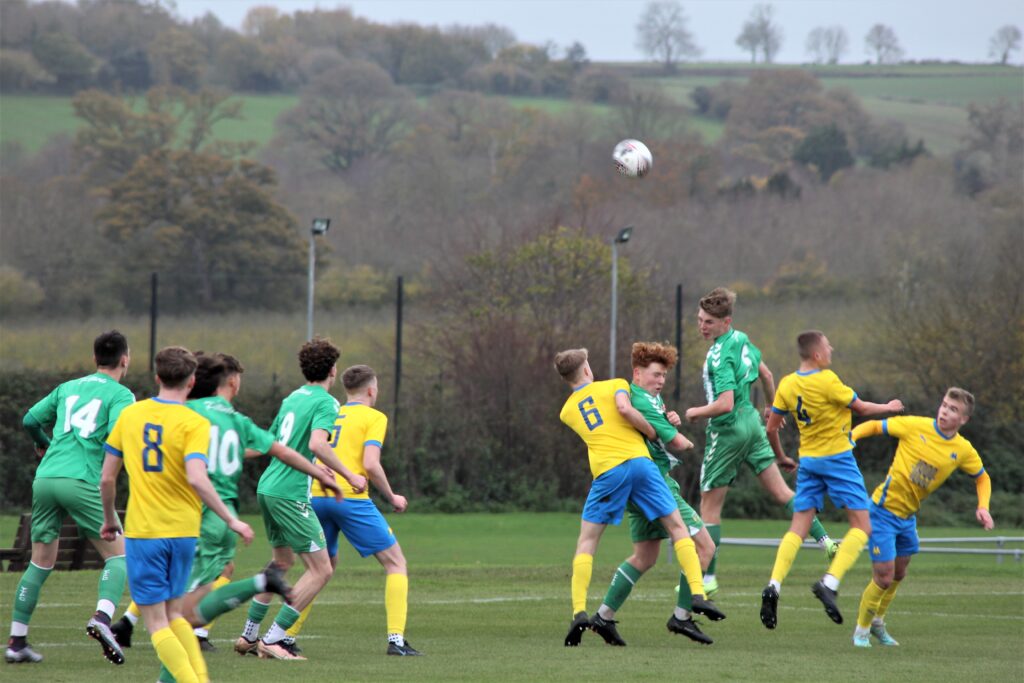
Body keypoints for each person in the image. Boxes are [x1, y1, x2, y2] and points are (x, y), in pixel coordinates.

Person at [108, 352, 343, 673]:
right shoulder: (234, 419)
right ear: (229, 381)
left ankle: (257, 593)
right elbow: (278, 448)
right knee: (181, 615)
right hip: (210, 521)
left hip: (185, 516)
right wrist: (321, 475)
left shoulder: (182, 413)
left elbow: (143, 469)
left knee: (176, 616)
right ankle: (257, 596)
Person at [99, 346, 258, 683]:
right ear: (191, 381)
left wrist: (110, 518)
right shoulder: (194, 421)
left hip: (145, 532)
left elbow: (107, 477)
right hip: (185, 533)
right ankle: (201, 678)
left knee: (157, 623)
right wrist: (231, 519)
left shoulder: (131, 415)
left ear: (157, 377)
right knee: (175, 616)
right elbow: (198, 478)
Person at [555, 348, 725, 648]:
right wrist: (651, 432)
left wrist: (664, 416)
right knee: (677, 528)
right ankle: (696, 596)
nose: (660, 380)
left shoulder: (566, 412)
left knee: (591, 542)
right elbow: (625, 410)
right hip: (639, 464)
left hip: (607, 473)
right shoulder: (615, 385)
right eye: (656, 374)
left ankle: (581, 612)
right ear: (586, 369)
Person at [684, 288, 837, 598]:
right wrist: (770, 409)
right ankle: (827, 543)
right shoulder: (742, 339)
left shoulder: (717, 356)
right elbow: (766, 374)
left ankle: (709, 577)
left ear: (725, 322)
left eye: (709, 322)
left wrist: (696, 412)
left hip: (728, 430)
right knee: (782, 492)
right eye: (700, 320)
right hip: (753, 423)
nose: (702, 327)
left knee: (709, 507)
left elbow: (724, 403)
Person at [6, 330, 135, 666]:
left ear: (95, 359)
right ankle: (103, 619)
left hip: (46, 478)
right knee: (120, 557)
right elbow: (119, 439)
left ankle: (17, 641)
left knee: (39, 562)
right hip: (82, 480)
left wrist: (43, 443)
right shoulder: (122, 396)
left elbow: (30, 419)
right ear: (125, 359)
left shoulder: (68, 388)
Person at [759, 331, 903, 629]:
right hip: (837, 459)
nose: (831, 349)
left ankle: (774, 585)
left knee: (798, 527)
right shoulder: (828, 379)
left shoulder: (787, 383)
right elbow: (861, 408)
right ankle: (830, 582)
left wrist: (782, 457)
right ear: (817, 355)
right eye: (827, 346)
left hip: (809, 461)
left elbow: (772, 428)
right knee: (862, 526)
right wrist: (889, 408)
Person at [236, 338, 368, 661]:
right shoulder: (326, 402)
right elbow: (318, 444)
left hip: (268, 487)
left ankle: (249, 635)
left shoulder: (292, 397)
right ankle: (275, 639)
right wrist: (349, 476)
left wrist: (232, 454)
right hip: (290, 492)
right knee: (322, 570)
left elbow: (270, 442)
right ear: (333, 370)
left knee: (281, 563)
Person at [284, 364, 421, 656]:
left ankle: (284, 635)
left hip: (317, 496)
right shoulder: (374, 417)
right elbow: (370, 463)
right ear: (372, 390)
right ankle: (396, 640)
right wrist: (392, 496)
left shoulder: (331, 411)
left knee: (319, 570)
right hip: (350, 498)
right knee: (396, 563)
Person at [850, 388, 993, 647]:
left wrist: (983, 506)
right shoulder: (915, 425)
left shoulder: (962, 449)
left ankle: (878, 623)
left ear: (963, 420)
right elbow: (874, 427)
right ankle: (861, 630)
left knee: (899, 574)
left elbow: (982, 477)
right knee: (883, 576)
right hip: (882, 511)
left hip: (907, 517)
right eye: (944, 405)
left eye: (953, 409)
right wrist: (852, 437)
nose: (945, 411)